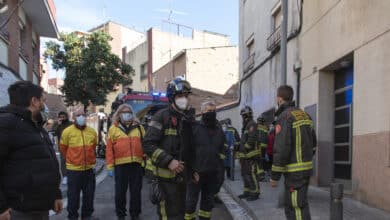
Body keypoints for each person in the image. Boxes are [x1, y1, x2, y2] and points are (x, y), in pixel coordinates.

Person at [0, 81, 63, 220]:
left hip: (40, 208)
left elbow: (48, 163)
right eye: (43, 100)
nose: (44, 105)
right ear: (34, 101)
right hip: (18, 210)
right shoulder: (6, 123)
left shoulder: (36, 125)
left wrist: (55, 194)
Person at [142, 77, 194, 220]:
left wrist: (194, 170)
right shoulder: (161, 117)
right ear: (172, 98)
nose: (184, 99)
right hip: (164, 181)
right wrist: (169, 161)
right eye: (179, 96)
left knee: (181, 215)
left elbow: (190, 148)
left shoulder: (188, 119)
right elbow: (148, 144)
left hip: (182, 180)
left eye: (186, 96)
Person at [270, 85, 317, 220]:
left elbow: (281, 149)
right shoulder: (305, 115)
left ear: (279, 99)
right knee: (301, 204)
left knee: (295, 207)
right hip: (305, 169)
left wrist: (275, 176)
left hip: (294, 173)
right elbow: (313, 144)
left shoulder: (285, 117)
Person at [184, 101, 226, 220]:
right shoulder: (195, 128)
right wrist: (191, 170)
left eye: (213, 111)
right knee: (191, 203)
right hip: (197, 173)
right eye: (208, 111)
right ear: (202, 112)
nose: (211, 113)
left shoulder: (219, 130)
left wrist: (220, 171)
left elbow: (222, 149)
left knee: (207, 204)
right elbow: (187, 150)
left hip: (212, 174)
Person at [105, 104, 145, 220]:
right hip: (120, 166)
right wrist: (110, 166)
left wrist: (144, 162)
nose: (126, 114)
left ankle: (135, 214)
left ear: (132, 114)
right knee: (120, 192)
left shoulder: (139, 128)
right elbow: (109, 150)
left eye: (129, 112)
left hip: (136, 165)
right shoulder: (113, 129)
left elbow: (145, 146)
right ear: (119, 114)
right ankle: (121, 214)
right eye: (124, 112)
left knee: (136, 192)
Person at [60, 108, 98, 220]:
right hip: (74, 170)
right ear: (73, 117)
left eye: (83, 115)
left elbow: (94, 146)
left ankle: (87, 216)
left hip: (89, 170)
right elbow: (63, 149)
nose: (81, 117)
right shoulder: (67, 132)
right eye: (78, 115)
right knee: (73, 197)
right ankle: (72, 217)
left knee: (89, 195)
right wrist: (73, 159)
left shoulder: (92, 132)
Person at [237, 106, 260, 201]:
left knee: (251, 174)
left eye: (244, 115)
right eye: (243, 115)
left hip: (250, 155)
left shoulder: (252, 124)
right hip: (245, 156)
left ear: (248, 115)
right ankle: (247, 191)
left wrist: (245, 148)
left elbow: (251, 139)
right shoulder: (246, 125)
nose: (243, 117)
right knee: (245, 174)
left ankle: (255, 193)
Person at [55, 111, 73, 185]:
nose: (62, 118)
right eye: (61, 117)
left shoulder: (71, 124)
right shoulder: (59, 125)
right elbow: (56, 135)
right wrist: (57, 145)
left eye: (63, 117)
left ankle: (71, 175)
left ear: (66, 117)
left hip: (71, 145)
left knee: (72, 160)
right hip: (62, 146)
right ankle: (65, 176)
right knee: (63, 161)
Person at [256, 115, 269, 181]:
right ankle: (261, 175)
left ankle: (260, 176)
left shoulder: (256, 127)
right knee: (262, 161)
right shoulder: (266, 128)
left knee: (258, 161)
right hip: (264, 147)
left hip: (258, 146)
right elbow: (267, 138)